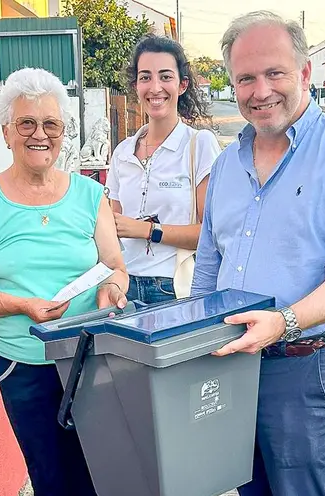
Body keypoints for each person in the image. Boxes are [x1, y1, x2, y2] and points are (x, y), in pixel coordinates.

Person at [191, 11, 325, 496]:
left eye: (274, 73)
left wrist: (284, 321)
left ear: (306, 73)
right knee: (253, 494)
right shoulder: (227, 164)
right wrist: (194, 340)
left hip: (308, 368)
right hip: (233, 366)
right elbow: (208, 263)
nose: (260, 90)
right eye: (245, 78)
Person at [0, 67, 129, 496]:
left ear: (63, 132)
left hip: (92, 360)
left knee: (106, 479)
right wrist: (21, 304)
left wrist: (112, 290)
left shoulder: (90, 195)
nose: (39, 134)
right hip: (24, 365)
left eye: (51, 124)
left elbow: (116, 266)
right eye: (26, 123)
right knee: (50, 481)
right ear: (6, 132)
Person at [106, 35, 222, 304]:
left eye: (165, 76)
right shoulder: (122, 152)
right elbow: (113, 227)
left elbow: (210, 234)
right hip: (124, 288)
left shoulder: (199, 145)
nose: (155, 87)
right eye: (145, 77)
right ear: (135, 86)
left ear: (182, 85)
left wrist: (147, 230)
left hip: (174, 289)